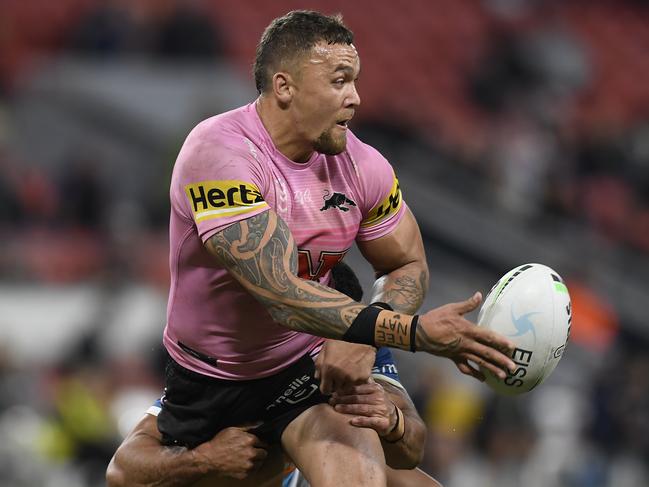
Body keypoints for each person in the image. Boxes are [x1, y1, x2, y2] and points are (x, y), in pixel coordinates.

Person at [116, 10, 516, 487]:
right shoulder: (219, 153)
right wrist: (416, 334)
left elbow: (406, 262)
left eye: (356, 81)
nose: (356, 97)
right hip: (211, 379)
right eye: (339, 80)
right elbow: (282, 296)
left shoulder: (364, 166)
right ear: (285, 86)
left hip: (303, 366)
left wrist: (367, 338)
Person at [106, 263, 442, 487]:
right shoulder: (238, 367)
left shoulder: (360, 354)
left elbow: (412, 449)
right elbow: (122, 470)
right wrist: (203, 460)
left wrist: (393, 420)